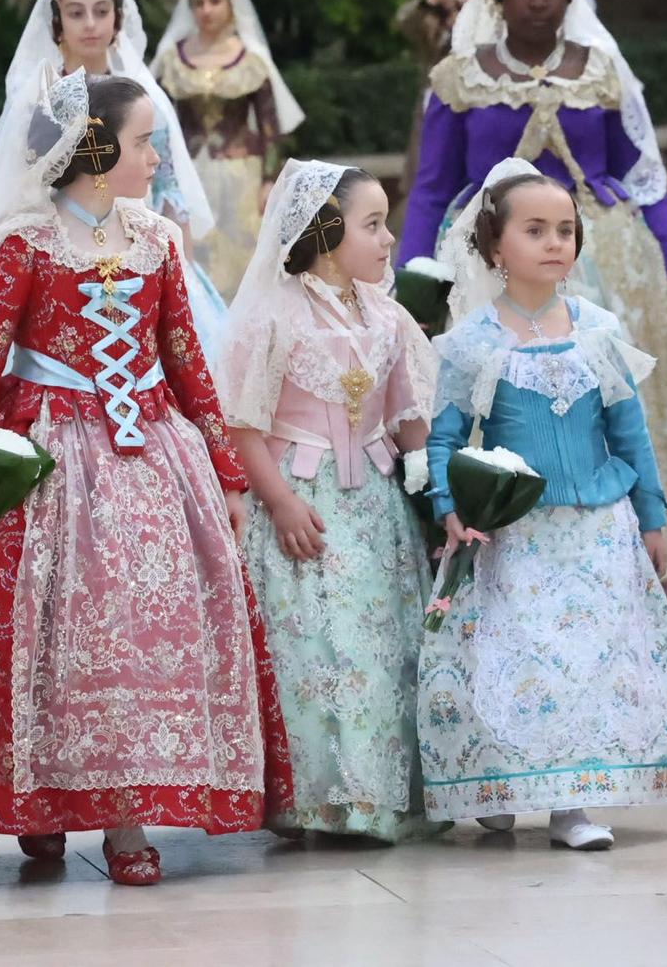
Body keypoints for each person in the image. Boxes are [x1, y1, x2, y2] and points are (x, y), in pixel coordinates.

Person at [0, 63, 293, 886]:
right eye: (142, 141)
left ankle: (127, 820)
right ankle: (45, 805)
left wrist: (226, 473)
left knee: (134, 638)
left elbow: (187, 361)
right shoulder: (25, 245)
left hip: (153, 460)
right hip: (53, 454)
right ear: (94, 148)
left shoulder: (159, 238)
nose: (158, 156)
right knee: (54, 638)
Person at [399, 0, 667, 611]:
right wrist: (414, 276)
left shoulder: (601, 71)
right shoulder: (461, 80)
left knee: (614, 405)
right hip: (484, 257)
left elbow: (643, 178)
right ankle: (485, 555)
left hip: (604, 254)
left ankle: (635, 551)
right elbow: (433, 185)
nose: (537, 2)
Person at [417, 160, 667, 848]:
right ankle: (507, 781)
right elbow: (446, 434)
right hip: (519, 535)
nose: (554, 243)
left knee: (591, 658)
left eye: (565, 230)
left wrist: (653, 516)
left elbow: (630, 430)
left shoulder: (599, 328)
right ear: (493, 244)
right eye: (534, 229)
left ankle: (575, 803)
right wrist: (453, 507)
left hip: (600, 527)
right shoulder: (475, 341)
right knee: (525, 657)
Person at [0, 0, 224, 477]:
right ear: (58, 22)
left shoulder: (142, 90)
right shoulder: (41, 94)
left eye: (100, 11)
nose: (90, 24)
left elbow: (169, 183)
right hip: (57, 259)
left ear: (117, 17)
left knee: (182, 366)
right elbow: (19, 185)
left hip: (142, 249)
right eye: (76, 13)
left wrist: (175, 249)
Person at [219, 160, 441, 844]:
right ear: (324, 231)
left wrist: (432, 467)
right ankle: (316, 796)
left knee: (378, 643)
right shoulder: (274, 315)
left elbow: (408, 410)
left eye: (386, 224)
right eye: (372, 225)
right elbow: (244, 423)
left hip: (373, 504)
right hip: (303, 501)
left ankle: (376, 792)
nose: (388, 239)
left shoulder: (387, 312)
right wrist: (279, 500)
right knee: (317, 645)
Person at [151, 0, 305, 296]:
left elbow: (270, 127)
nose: (206, 10)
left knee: (243, 258)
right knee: (194, 254)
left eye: (215, 1)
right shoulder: (172, 58)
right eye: (199, 2)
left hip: (242, 178)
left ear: (231, 4)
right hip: (189, 173)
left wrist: (269, 180)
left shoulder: (250, 58)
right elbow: (157, 123)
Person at [398, 0, 477, 193]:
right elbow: (405, 19)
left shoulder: (485, 18)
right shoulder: (430, 23)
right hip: (434, 101)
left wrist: (471, 2)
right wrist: (431, 3)